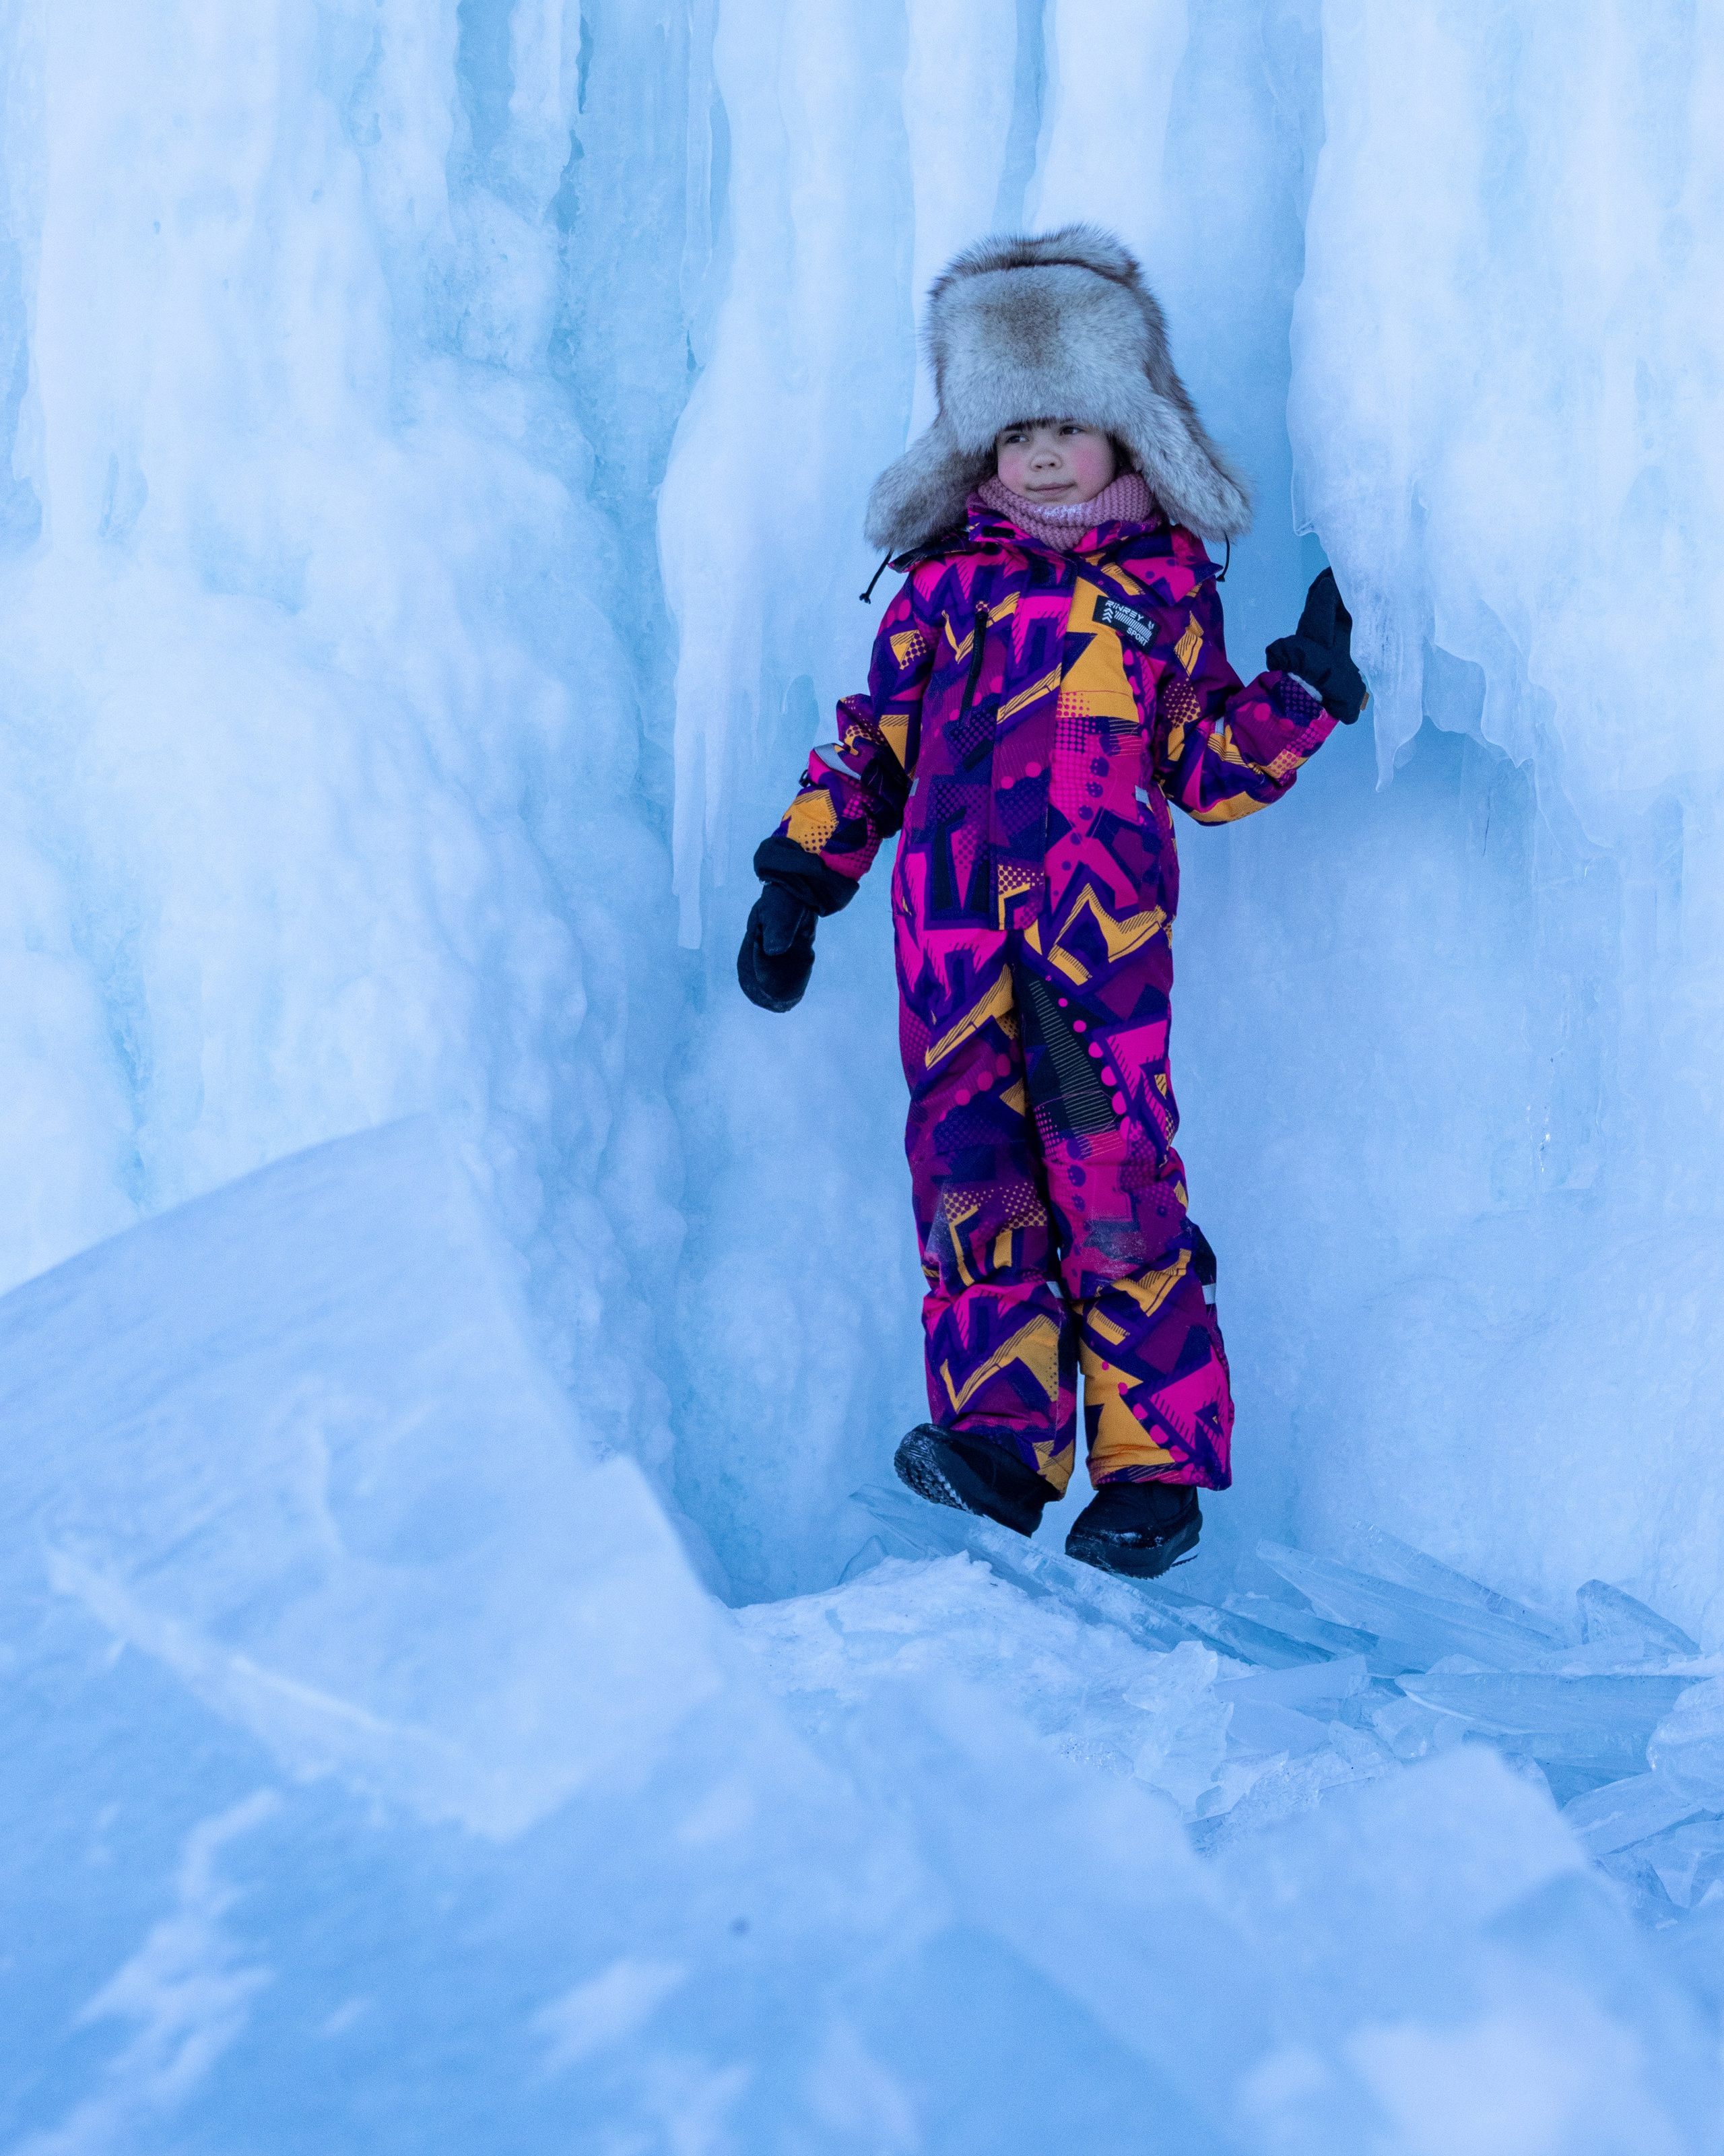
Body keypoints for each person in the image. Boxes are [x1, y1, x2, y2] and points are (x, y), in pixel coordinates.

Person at [737, 226, 1364, 1579]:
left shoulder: (1159, 592)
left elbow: (1202, 764)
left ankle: (1151, 1469)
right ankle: (999, 1446)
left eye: (1064, 425)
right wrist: (800, 873)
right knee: (970, 1186)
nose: (1034, 454)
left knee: (1115, 1189)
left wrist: (1297, 697)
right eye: (1008, 427)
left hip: (1098, 947)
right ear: (972, 442)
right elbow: (872, 747)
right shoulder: (940, 589)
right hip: (949, 946)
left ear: (1126, 431)